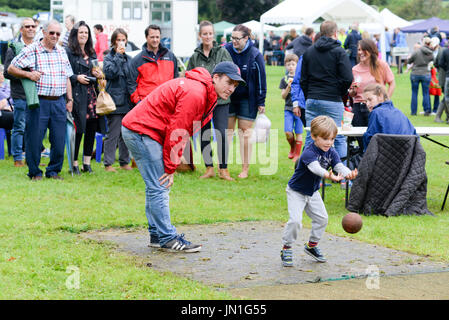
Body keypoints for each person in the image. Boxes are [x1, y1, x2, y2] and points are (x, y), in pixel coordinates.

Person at [121, 62, 244, 252]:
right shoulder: (196, 93)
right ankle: (168, 238)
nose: (231, 89)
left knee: (155, 185)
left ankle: (157, 235)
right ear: (216, 77)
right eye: (229, 82)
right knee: (160, 185)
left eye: (235, 85)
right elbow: (178, 131)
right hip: (141, 131)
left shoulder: (204, 91)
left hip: (143, 130)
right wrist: (171, 167)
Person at [280, 115, 358, 267]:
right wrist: (327, 174)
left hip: (312, 192)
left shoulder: (331, 151)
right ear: (314, 137)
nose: (329, 142)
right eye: (325, 139)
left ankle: (312, 246)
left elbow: (339, 166)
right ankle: (286, 247)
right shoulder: (309, 152)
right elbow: (314, 167)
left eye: (332, 139)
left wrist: (348, 173)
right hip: (296, 191)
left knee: (322, 219)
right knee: (296, 221)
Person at [8, 20, 74, 181]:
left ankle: (53, 171)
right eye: (51, 33)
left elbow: (67, 76)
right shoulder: (32, 50)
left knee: (58, 139)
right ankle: (35, 172)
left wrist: (69, 99)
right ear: (43, 32)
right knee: (34, 138)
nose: (55, 36)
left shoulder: (61, 51)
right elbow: (11, 68)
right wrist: (29, 74)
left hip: (59, 101)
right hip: (40, 102)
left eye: (58, 34)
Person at [300, 20, 353, 179]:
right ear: (335, 33)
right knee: (338, 137)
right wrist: (340, 92)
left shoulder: (309, 52)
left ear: (320, 33)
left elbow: (303, 79)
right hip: (332, 98)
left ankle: (308, 174)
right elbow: (348, 77)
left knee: (312, 136)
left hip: (313, 98)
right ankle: (343, 177)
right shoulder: (339, 51)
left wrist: (309, 94)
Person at [186, 20, 233, 181]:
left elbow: (231, 73)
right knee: (204, 135)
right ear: (200, 36)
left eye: (210, 33)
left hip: (220, 102)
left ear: (214, 35)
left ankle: (224, 169)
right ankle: (209, 168)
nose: (208, 36)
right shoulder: (194, 57)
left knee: (221, 134)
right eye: (204, 34)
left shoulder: (222, 53)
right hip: (202, 103)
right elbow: (189, 77)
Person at [225, 24, 267, 179]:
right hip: (228, 97)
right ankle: (224, 167)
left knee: (245, 133)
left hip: (247, 99)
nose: (234, 41)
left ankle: (245, 169)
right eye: (232, 38)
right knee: (227, 133)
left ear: (246, 38)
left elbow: (261, 79)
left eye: (237, 39)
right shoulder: (227, 50)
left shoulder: (255, 55)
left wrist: (261, 101)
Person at [66, 21, 106, 175]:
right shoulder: (68, 52)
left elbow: (96, 72)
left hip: (91, 95)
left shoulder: (91, 52)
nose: (83, 35)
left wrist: (97, 74)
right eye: (81, 32)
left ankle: (86, 164)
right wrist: (77, 77)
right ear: (75, 34)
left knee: (91, 130)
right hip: (76, 95)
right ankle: (74, 164)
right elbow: (64, 73)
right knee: (78, 130)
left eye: (86, 33)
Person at [348, 38, 395, 151]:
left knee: (377, 140)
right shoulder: (355, 69)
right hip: (358, 108)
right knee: (362, 140)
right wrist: (353, 91)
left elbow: (392, 82)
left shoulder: (381, 65)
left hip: (377, 108)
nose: (360, 52)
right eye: (358, 50)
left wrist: (386, 99)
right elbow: (351, 93)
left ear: (371, 50)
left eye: (363, 50)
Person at [3, 18, 36, 167]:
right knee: (19, 126)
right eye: (27, 26)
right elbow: (7, 73)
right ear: (21, 30)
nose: (30, 28)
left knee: (33, 128)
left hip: (36, 94)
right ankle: (17, 158)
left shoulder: (38, 47)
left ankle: (31, 158)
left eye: (33, 26)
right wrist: (26, 74)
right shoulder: (14, 48)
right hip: (20, 94)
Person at [102, 28, 133, 172]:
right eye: (118, 39)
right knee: (113, 133)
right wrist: (118, 56)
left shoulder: (130, 59)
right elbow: (110, 73)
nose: (121, 42)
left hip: (128, 101)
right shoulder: (109, 57)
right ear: (114, 41)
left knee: (125, 134)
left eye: (123, 39)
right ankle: (108, 163)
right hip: (114, 101)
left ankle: (124, 162)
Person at [129, 24, 178, 105]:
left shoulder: (171, 57)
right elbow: (131, 84)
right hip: (147, 105)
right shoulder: (137, 60)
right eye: (152, 37)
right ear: (146, 37)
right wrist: (138, 102)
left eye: (157, 37)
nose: (155, 40)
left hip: (167, 103)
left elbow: (176, 80)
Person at [362, 83, 417, 151]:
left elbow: (369, 141)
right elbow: (415, 136)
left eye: (370, 99)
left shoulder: (376, 113)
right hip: (407, 157)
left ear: (380, 96)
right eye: (365, 101)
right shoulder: (399, 112)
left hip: (384, 157)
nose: (367, 104)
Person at [280, 53, 302, 162]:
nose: (291, 67)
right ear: (285, 66)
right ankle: (292, 147)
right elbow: (283, 96)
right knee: (288, 132)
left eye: (293, 64)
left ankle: (297, 154)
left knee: (298, 132)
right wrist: (288, 86)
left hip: (299, 109)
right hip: (288, 109)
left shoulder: (300, 78)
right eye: (288, 64)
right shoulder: (284, 79)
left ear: (297, 65)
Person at [407, 37, 434, 116]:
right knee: (426, 93)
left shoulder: (416, 52)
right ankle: (427, 110)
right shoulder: (430, 53)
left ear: (423, 42)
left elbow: (409, 61)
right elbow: (433, 60)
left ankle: (413, 111)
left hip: (415, 73)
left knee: (414, 93)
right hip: (426, 73)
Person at [0, 65, 14, 132]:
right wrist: (4, 107)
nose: (2, 76)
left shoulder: (8, 86)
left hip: (11, 109)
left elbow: (14, 100)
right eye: (0, 74)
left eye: (2, 73)